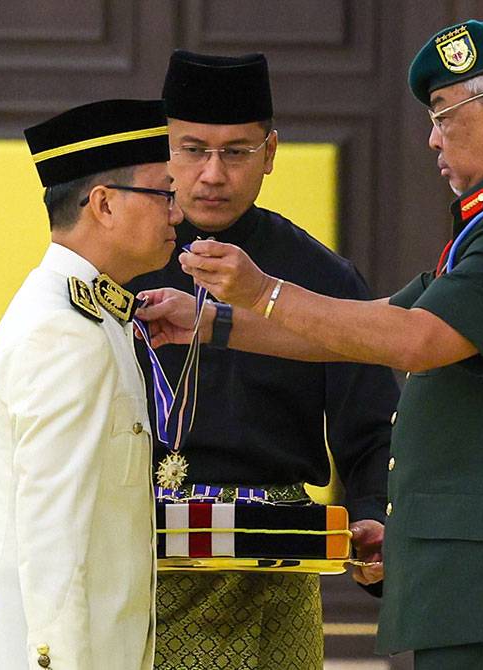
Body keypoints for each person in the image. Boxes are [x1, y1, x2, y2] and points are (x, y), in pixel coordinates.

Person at [138, 17, 483, 670]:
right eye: (193, 150)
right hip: (477, 569)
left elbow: (410, 341)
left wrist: (262, 291)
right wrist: (213, 323)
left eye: (444, 114)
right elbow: (377, 324)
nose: (432, 137)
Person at [126, 50, 399, 670]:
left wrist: (372, 519)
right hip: (137, 553)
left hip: (275, 562)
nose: (213, 174)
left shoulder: (319, 277)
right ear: (163, 150)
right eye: (193, 149)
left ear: (270, 154)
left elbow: (372, 428)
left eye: (237, 151)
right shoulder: (119, 266)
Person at [0, 99, 182, 670]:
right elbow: (54, 538)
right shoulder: (64, 332)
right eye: (164, 194)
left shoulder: (94, 317)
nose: (177, 213)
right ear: (103, 204)